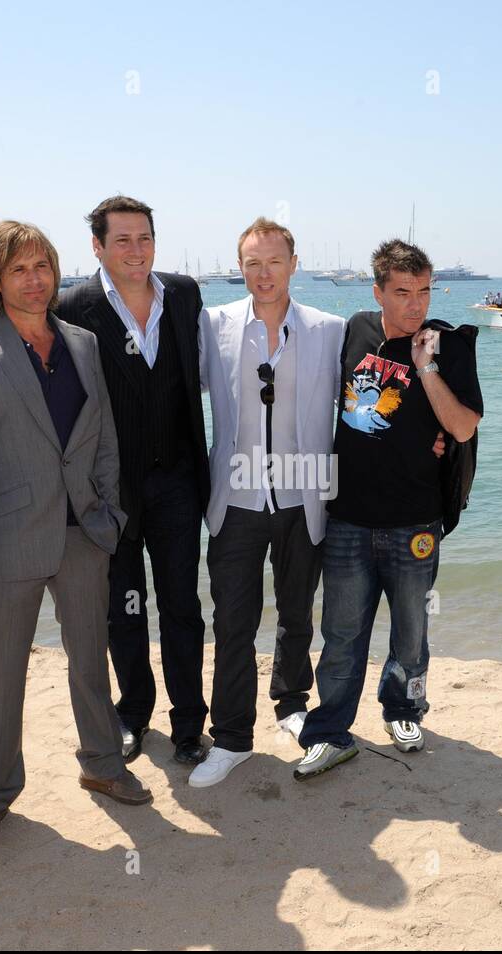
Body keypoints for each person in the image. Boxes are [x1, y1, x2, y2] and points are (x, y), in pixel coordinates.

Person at [0, 220, 151, 855]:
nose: (34, 280)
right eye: (19, 269)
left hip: (83, 533)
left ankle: (104, 764)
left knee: (90, 657)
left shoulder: (81, 344)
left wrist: (107, 514)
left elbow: (103, 434)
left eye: (43, 268)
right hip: (5, 542)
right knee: (0, 675)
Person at [294, 239, 484, 781]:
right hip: (348, 516)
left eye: (424, 291)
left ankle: (404, 711)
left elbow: (463, 426)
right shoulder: (353, 330)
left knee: (410, 633)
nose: (416, 305)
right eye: (402, 293)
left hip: (415, 520)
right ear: (378, 291)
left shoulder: (447, 343)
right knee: (341, 633)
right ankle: (330, 732)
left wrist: (426, 370)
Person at [55, 196, 211, 767]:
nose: (135, 250)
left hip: (176, 481)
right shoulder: (73, 308)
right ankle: (134, 712)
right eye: (121, 240)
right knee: (123, 607)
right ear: (97, 246)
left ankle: (191, 722)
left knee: (182, 606)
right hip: (108, 491)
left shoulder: (185, 295)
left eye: (144, 238)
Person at [189, 218, 345, 787]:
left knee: (297, 611)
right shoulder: (214, 326)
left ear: (293, 264)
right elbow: (178, 394)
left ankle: (291, 703)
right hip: (236, 495)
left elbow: (366, 404)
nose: (263, 273)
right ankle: (230, 738)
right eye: (252, 263)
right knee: (233, 621)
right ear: (241, 267)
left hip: (305, 492)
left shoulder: (329, 330)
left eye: (273, 261)